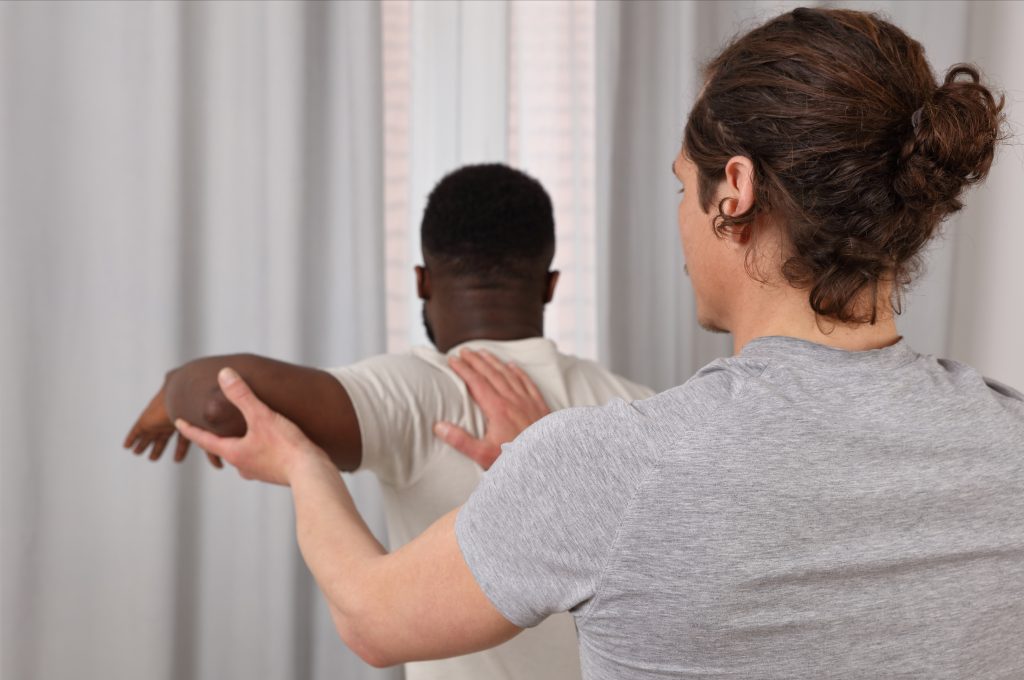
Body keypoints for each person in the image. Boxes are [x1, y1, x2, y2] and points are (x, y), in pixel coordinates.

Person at [176, 7, 1024, 677]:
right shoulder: (1008, 441)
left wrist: (298, 463)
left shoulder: (613, 463)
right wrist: (541, 489)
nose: (680, 223)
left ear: (734, 191)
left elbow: (369, 618)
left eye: (681, 188)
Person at [124, 163, 653, 680]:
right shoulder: (638, 407)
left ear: (422, 281)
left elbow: (216, 402)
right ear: (550, 285)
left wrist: (174, 385)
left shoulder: (415, 390)